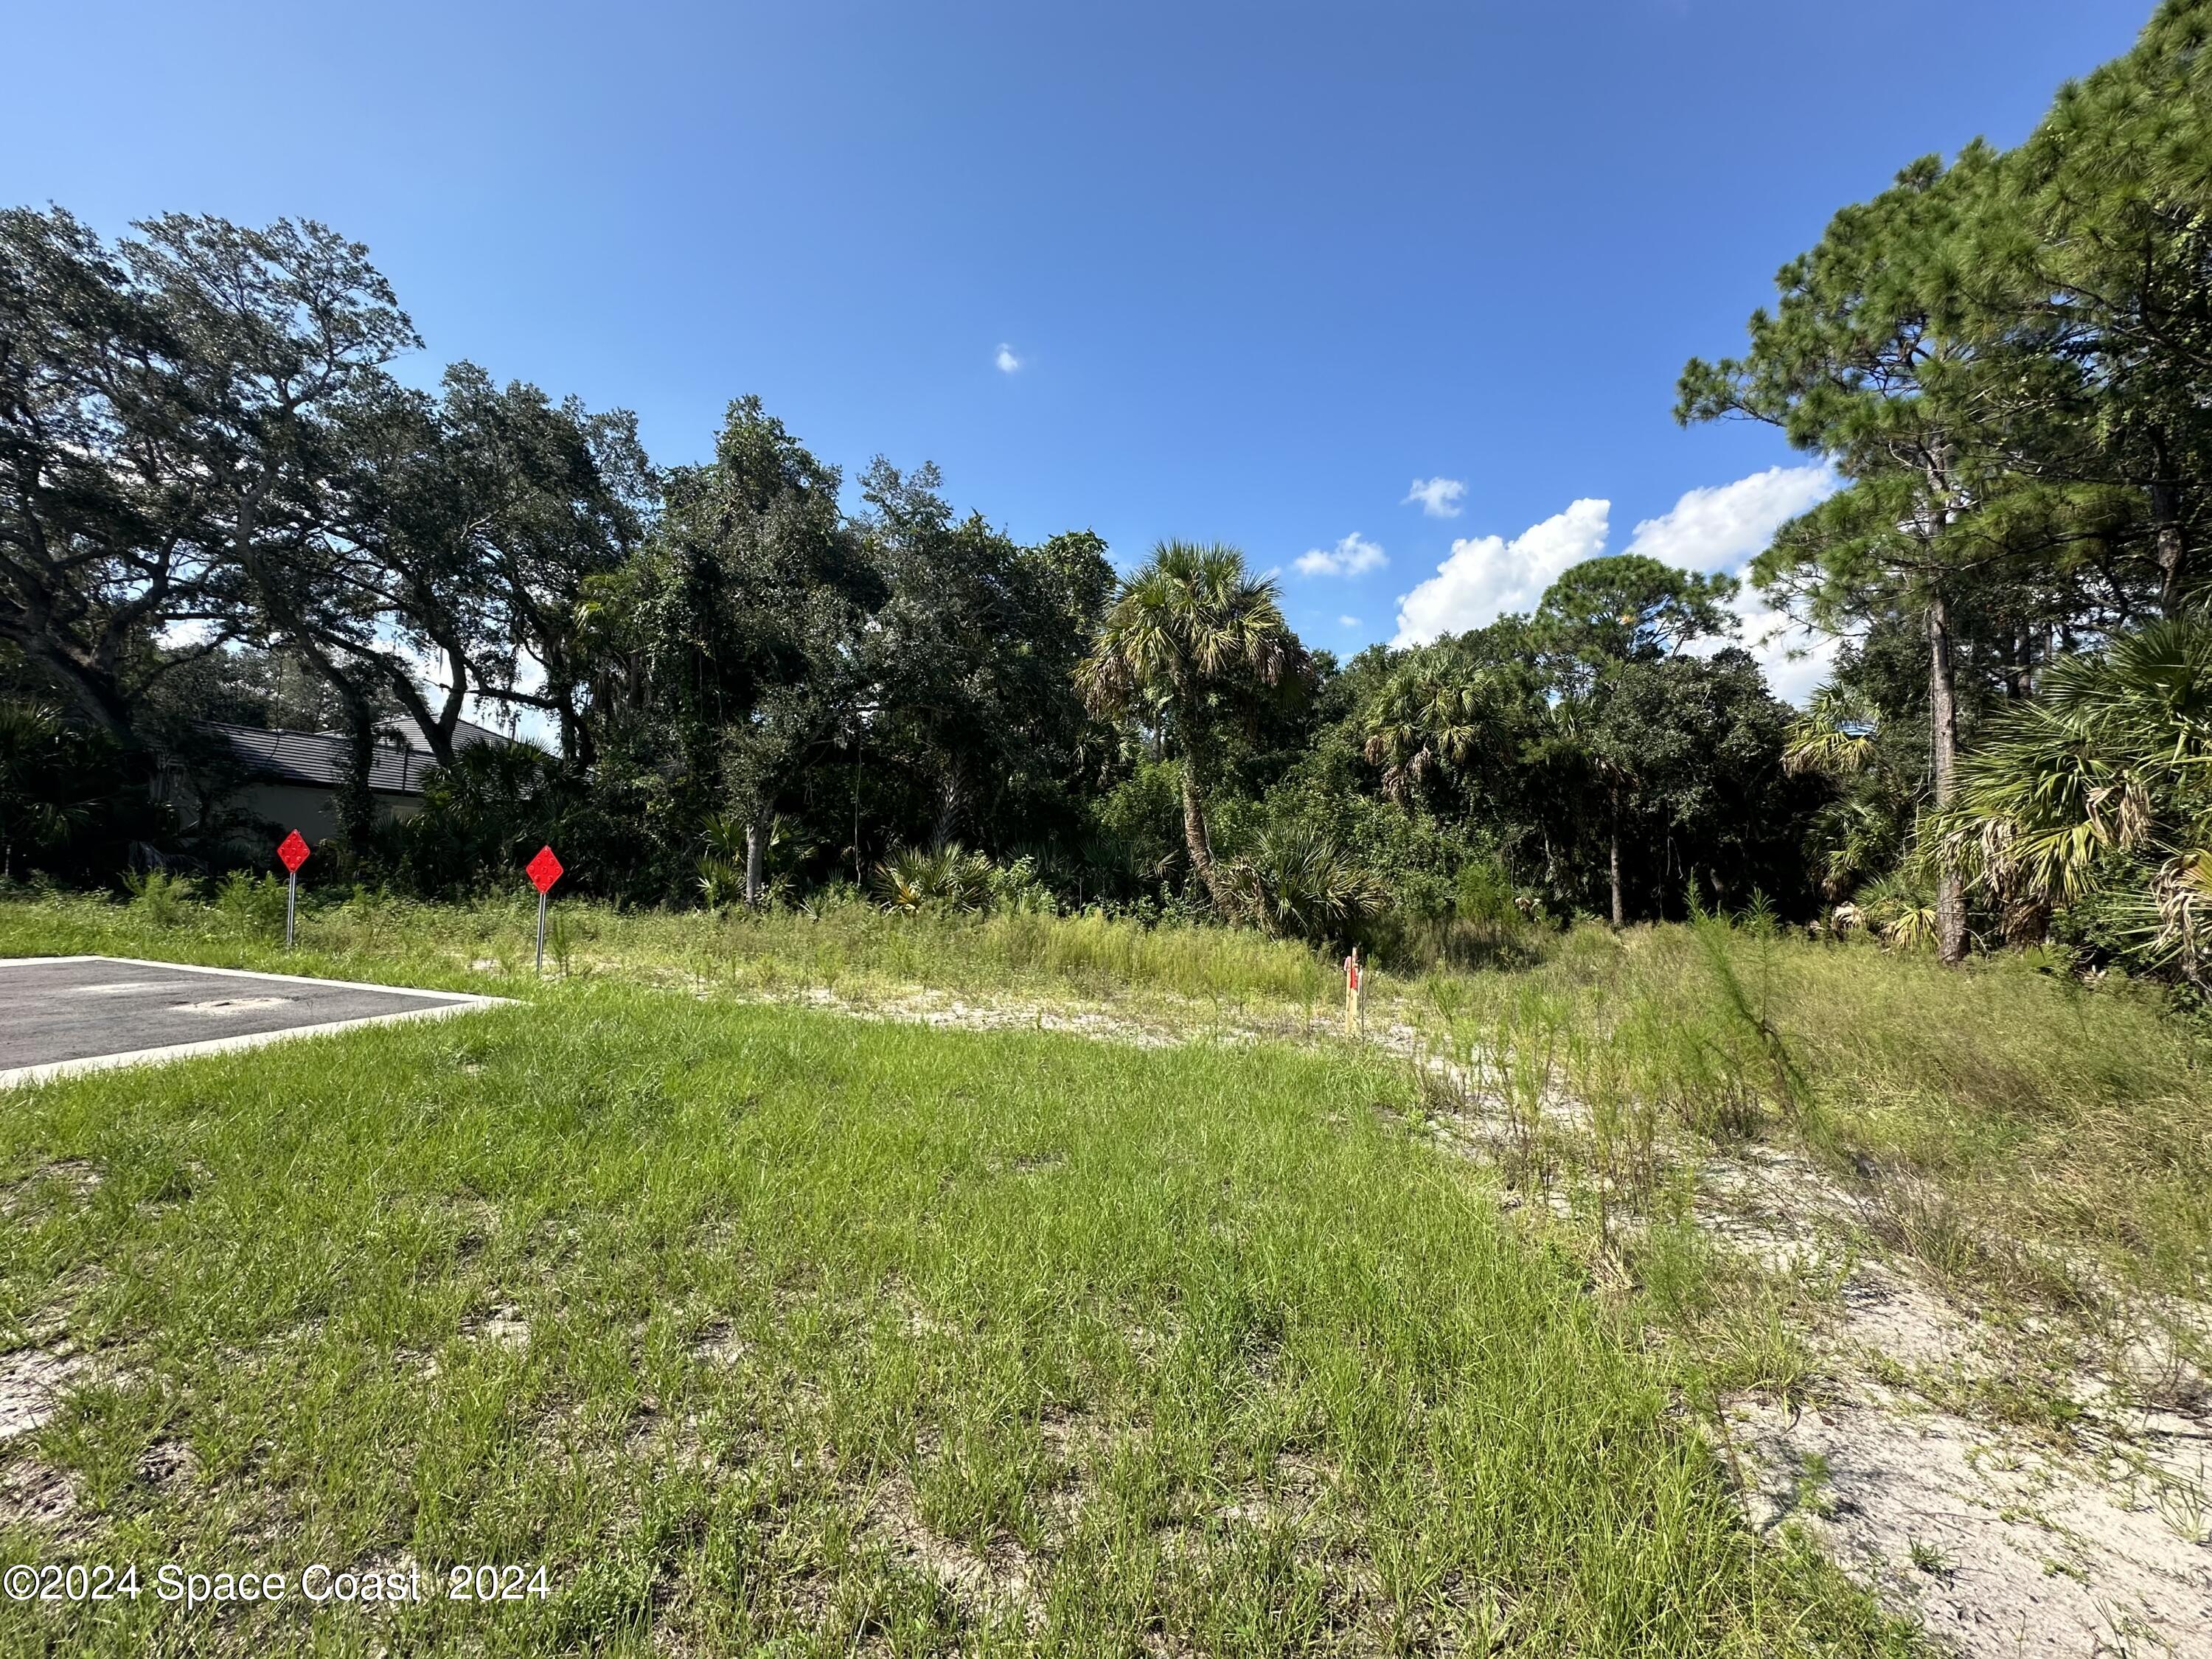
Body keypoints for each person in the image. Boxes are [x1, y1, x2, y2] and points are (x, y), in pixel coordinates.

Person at [1342, 946, 1362, 1036]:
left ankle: (1353, 1029)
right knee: (1349, 1001)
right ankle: (1348, 1028)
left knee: (1353, 1001)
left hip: (1354, 984)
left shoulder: (1356, 965)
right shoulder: (1350, 962)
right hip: (1351, 984)